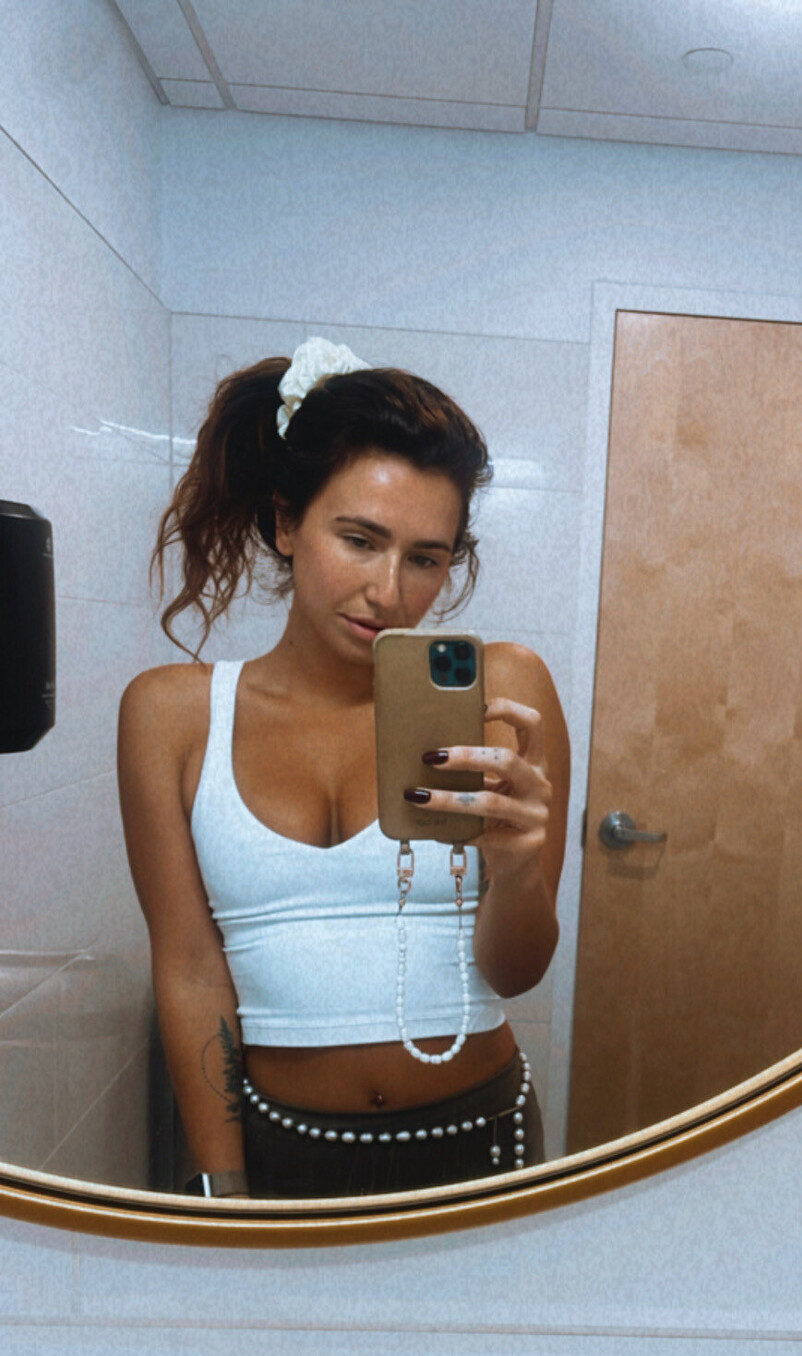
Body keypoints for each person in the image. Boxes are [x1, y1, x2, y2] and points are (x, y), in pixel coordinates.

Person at [118, 339, 569, 1200]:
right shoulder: (172, 715)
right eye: (360, 540)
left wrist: (516, 875)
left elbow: (518, 973)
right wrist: (221, 1188)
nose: (388, 592)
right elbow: (189, 969)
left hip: (479, 1139)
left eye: (425, 558)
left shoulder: (504, 691)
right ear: (288, 523)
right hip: (278, 1144)